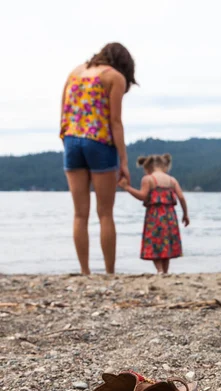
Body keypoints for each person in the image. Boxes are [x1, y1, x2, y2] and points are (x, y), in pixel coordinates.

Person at [60, 42, 136, 275]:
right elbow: (115, 121)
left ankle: (85, 272)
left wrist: (66, 138)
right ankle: (109, 272)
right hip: (99, 142)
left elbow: (63, 110)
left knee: (79, 213)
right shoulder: (114, 77)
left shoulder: (75, 72)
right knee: (105, 213)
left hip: (72, 140)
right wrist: (123, 161)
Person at [119, 154, 189, 274]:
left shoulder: (148, 179)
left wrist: (127, 188)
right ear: (165, 166)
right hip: (170, 217)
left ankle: (159, 270)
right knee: (166, 243)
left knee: (155, 243)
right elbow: (181, 197)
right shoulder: (172, 180)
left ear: (147, 168)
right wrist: (185, 214)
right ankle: (165, 271)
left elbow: (142, 196)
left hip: (154, 217)